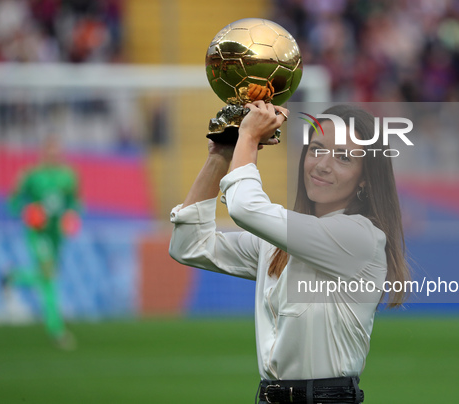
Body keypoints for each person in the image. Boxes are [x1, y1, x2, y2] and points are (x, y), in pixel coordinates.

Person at [169, 103, 409, 403]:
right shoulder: (282, 242)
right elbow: (189, 245)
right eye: (317, 149)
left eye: (344, 157)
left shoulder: (361, 236)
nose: (322, 164)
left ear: (365, 178)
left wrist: (248, 138)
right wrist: (220, 156)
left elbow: (246, 208)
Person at [5, 136, 81, 349]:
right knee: (49, 279)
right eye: (50, 151)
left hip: (56, 236)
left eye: (57, 151)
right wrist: (28, 212)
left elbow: (74, 204)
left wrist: (71, 218)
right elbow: (13, 203)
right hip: (38, 234)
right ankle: (56, 330)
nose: (54, 156)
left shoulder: (68, 177)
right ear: (43, 153)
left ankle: (13, 277)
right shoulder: (32, 176)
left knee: (48, 277)